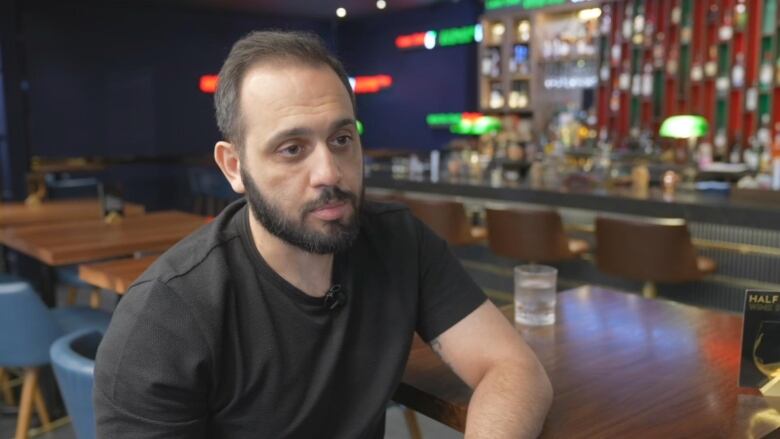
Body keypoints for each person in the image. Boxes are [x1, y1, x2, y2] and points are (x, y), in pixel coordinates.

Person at [94, 30, 552, 438]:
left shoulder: (399, 242)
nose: (329, 172)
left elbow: (512, 368)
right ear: (234, 167)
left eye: (341, 139)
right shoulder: (163, 321)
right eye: (292, 149)